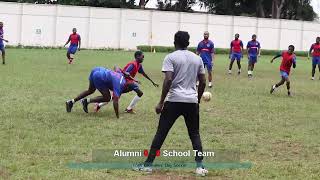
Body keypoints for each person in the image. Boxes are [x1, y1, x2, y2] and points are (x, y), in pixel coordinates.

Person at [135, 31, 208, 176]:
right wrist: (197, 100)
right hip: (191, 102)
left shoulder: (170, 57)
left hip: (174, 100)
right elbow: (203, 81)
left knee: (161, 132)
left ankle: (148, 165)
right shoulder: (197, 59)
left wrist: (161, 102)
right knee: (194, 134)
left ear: (175, 42)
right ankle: (200, 167)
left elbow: (168, 80)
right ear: (188, 42)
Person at [94, 51, 158, 113]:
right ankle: (128, 109)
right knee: (137, 93)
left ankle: (99, 105)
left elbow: (144, 74)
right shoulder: (133, 64)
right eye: (142, 56)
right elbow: (125, 74)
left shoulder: (139, 65)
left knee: (115, 97)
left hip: (128, 82)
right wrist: (134, 80)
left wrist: (152, 82)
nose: (143, 58)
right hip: (123, 82)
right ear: (137, 57)